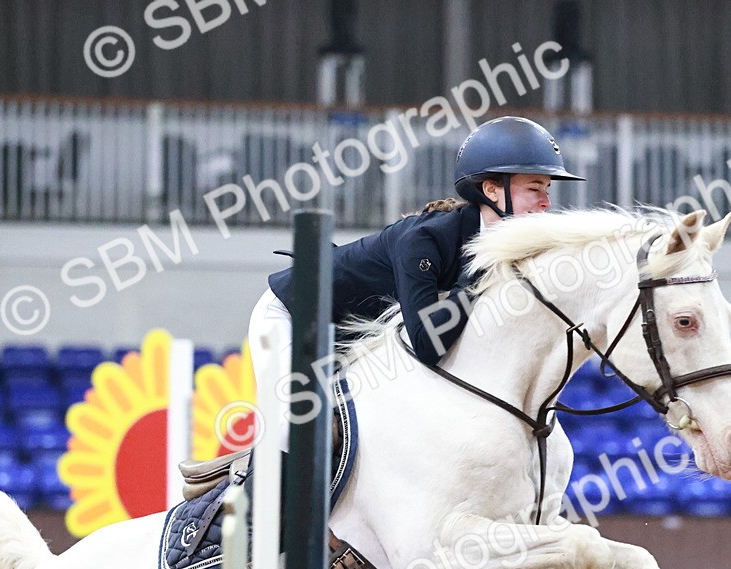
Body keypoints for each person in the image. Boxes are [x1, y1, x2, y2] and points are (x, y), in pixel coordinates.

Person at [247, 116, 584, 423]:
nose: (546, 202)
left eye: (546, 190)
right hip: (292, 316)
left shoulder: (509, 251)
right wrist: (480, 276)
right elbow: (426, 343)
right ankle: (239, 488)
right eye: (534, 188)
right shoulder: (423, 239)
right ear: (491, 189)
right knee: (295, 423)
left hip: (352, 338)